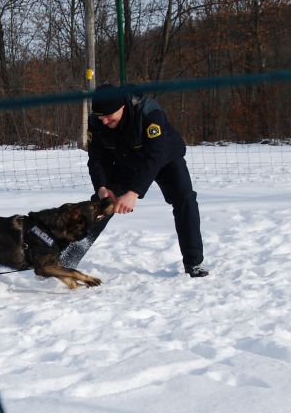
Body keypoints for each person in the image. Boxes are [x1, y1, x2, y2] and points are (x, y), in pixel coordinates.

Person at [84, 83, 208, 277]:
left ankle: (194, 262)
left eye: (109, 116)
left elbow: (155, 156)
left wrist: (133, 192)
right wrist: (102, 187)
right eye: (101, 118)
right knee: (101, 204)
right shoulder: (96, 121)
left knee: (185, 198)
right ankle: (68, 256)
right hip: (129, 161)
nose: (105, 121)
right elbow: (97, 158)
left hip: (165, 158)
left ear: (122, 107)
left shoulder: (149, 111)